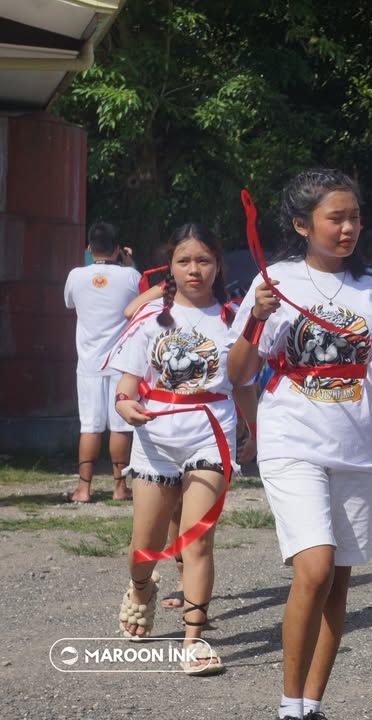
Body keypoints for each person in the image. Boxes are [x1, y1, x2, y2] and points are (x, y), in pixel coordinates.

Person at [226, 168, 372, 720]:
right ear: (302, 224)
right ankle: (287, 706)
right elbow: (239, 372)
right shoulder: (275, 282)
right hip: (291, 438)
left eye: (355, 217)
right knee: (315, 568)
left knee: (339, 577)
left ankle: (312, 703)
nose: (348, 228)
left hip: (356, 445)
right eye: (335, 218)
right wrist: (254, 319)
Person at [110, 223, 257, 675]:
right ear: (169, 267)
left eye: (204, 260)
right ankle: (141, 588)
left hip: (210, 433)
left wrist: (251, 428)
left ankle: (194, 640)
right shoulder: (151, 317)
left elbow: (242, 381)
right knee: (144, 548)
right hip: (155, 440)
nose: (195, 269)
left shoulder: (233, 318)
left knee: (197, 542)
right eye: (184, 261)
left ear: (217, 265)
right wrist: (126, 405)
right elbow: (127, 385)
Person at [63, 221, 140, 503]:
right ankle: (119, 487)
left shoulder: (75, 276)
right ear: (119, 249)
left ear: (88, 248)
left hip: (88, 364)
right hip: (122, 365)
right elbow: (143, 300)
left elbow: (69, 304)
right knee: (120, 426)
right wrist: (130, 265)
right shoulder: (131, 277)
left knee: (90, 425)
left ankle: (83, 489)